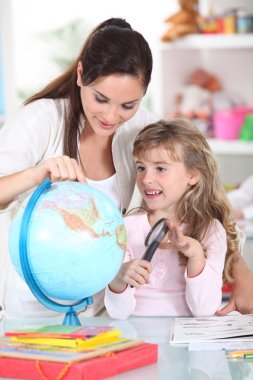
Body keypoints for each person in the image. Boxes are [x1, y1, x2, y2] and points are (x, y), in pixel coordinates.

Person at [0, 17, 158, 318]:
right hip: (34, 314)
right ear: (81, 74)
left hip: (109, 313)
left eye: (128, 105)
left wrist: (238, 268)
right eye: (101, 99)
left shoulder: (144, 127)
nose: (112, 116)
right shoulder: (40, 120)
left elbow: (196, 189)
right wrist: (36, 174)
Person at [105, 119, 238, 319]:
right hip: (138, 335)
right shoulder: (124, 228)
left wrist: (195, 255)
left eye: (160, 168)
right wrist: (118, 278)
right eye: (141, 168)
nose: (146, 179)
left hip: (188, 338)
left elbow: (204, 310)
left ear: (193, 175)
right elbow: (117, 313)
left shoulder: (210, 230)